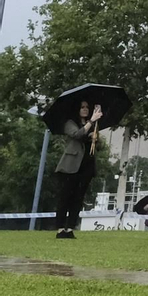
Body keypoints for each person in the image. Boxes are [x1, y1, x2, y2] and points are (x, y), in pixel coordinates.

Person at [52, 99, 102, 238]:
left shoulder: (92, 125)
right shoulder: (70, 123)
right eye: (82, 107)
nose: (85, 109)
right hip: (71, 166)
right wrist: (91, 122)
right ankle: (60, 228)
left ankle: (70, 228)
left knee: (78, 199)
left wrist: (95, 138)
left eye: (87, 107)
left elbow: (99, 147)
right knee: (65, 197)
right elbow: (77, 134)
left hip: (87, 165)